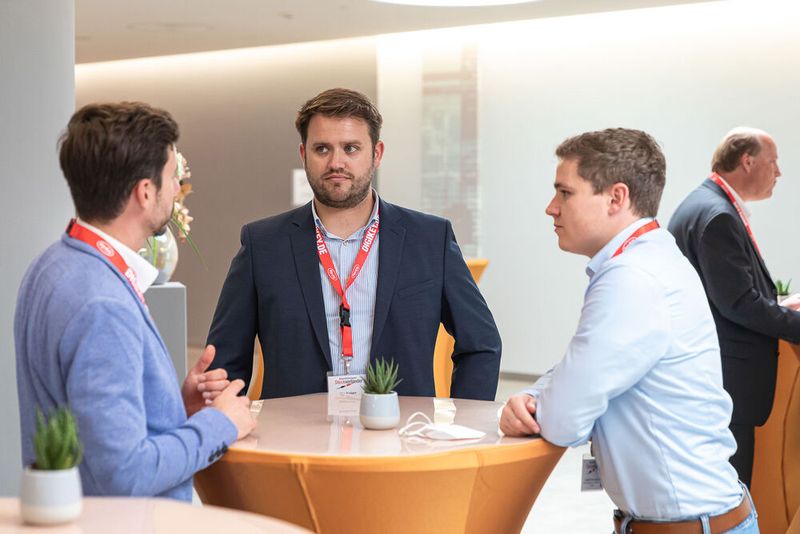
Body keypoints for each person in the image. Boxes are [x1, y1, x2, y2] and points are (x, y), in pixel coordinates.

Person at [500, 128, 756, 531]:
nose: (551, 207)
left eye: (565, 193)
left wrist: (533, 403)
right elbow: (580, 368)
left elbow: (565, 419)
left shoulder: (632, 278)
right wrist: (535, 394)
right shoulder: (648, 258)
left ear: (617, 198)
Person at [15, 102, 255, 501]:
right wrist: (220, 423)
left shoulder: (52, 266)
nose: (177, 189)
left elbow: (94, 429)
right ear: (145, 192)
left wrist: (176, 408)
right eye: (171, 176)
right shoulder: (102, 303)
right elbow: (124, 474)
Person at [207, 88, 501, 400]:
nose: (337, 162)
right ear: (303, 154)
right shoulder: (263, 245)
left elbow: (481, 344)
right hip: (294, 440)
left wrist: (463, 427)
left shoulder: (429, 239)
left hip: (401, 438)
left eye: (351, 148)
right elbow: (226, 364)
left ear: (377, 153)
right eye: (322, 149)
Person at [668, 127, 800, 488]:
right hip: (726, 382)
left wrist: (778, 304)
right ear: (747, 161)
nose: (779, 172)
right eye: (773, 162)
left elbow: (730, 292)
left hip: (717, 376)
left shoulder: (706, 204)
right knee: (729, 489)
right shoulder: (718, 215)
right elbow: (739, 303)